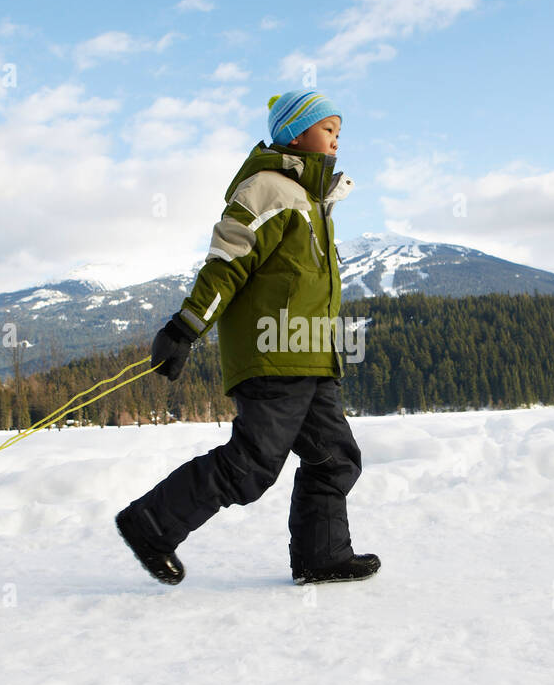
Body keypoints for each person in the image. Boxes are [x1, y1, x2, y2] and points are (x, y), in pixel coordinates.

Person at [115, 90, 380, 587]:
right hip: (273, 353)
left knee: (336, 457)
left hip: (311, 356)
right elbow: (228, 262)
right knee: (254, 464)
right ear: (295, 134)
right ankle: (151, 523)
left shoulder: (314, 202)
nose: (338, 141)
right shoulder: (268, 189)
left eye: (340, 133)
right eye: (329, 130)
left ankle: (321, 555)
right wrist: (186, 326)